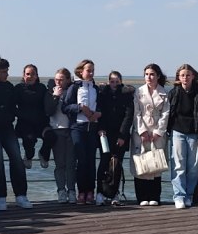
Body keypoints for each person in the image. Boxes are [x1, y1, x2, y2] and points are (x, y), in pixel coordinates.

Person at [0, 57, 32, 210]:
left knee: (16, 158)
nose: (7, 74)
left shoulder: (9, 87)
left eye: (7, 71)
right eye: (3, 72)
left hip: (7, 127)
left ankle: (21, 195)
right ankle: (0, 197)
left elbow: (14, 106)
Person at [166, 63, 198, 209]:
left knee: (193, 167)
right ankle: (179, 195)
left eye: (188, 75)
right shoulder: (173, 93)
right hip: (177, 132)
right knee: (178, 165)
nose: (185, 78)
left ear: (193, 76)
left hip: (194, 133)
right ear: (179, 77)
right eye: (182, 75)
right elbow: (168, 114)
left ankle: (189, 195)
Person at [63, 59, 102, 204]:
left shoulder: (95, 88)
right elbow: (65, 107)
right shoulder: (74, 87)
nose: (91, 73)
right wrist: (80, 108)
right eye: (88, 70)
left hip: (92, 128)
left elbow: (100, 106)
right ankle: (81, 192)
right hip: (78, 128)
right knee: (82, 160)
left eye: (93, 71)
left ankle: (90, 191)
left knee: (91, 160)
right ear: (81, 71)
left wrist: (98, 113)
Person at [132, 63, 169, 206]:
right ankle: (142, 196)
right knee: (141, 163)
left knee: (156, 163)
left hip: (157, 132)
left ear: (158, 76)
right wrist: (142, 131)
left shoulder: (163, 93)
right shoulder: (138, 92)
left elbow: (165, 114)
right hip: (141, 131)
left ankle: (154, 196)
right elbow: (136, 113)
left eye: (152, 74)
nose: (149, 77)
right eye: (147, 74)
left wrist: (158, 131)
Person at [96, 70, 135, 204]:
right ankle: (100, 192)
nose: (114, 84)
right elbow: (100, 112)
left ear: (121, 82)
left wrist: (122, 135)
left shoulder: (126, 95)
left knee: (117, 164)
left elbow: (128, 116)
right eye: (112, 81)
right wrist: (101, 129)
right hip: (105, 134)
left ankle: (114, 194)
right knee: (103, 163)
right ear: (108, 82)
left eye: (117, 82)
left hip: (120, 135)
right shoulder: (103, 94)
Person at [46, 68, 76, 202]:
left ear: (68, 80)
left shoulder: (72, 91)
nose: (58, 82)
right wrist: (55, 96)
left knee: (71, 163)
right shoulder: (50, 92)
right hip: (57, 130)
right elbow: (48, 111)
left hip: (71, 129)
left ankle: (72, 190)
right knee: (60, 164)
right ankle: (61, 191)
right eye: (56, 79)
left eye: (61, 79)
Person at [15, 64, 50, 169]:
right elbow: (11, 106)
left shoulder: (42, 88)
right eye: (28, 74)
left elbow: (47, 105)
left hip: (41, 123)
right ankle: (29, 156)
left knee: (51, 136)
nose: (30, 76)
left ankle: (43, 154)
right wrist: (21, 114)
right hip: (25, 123)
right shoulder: (18, 88)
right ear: (24, 75)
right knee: (29, 140)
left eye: (33, 74)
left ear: (36, 76)